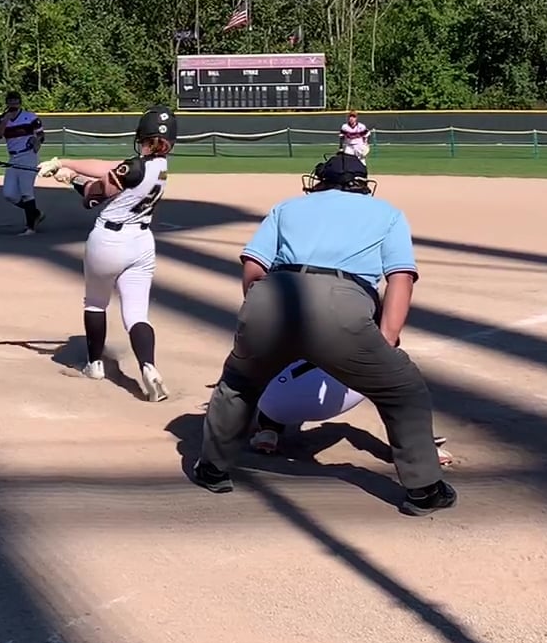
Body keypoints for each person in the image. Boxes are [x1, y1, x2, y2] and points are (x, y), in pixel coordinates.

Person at [190, 152, 455, 516]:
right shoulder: (387, 213)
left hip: (273, 295)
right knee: (402, 389)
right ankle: (424, 490)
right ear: (363, 185)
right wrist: (388, 338)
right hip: (342, 302)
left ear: (319, 181)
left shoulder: (287, 207)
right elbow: (400, 278)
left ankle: (212, 470)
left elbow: (253, 267)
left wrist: (258, 310)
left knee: (238, 383)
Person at [39, 106, 177, 402]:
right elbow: (110, 167)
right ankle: (149, 367)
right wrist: (64, 163)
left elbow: (93, 196)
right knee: (137, 314)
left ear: (143, 137)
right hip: (141, 243)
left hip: (109, 242)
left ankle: (95, 365)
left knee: (95, 303)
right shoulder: (160, 166)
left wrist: (71, 179)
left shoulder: (134, 168)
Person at [250, 359, 453, 468]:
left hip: (274, 403)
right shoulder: (358, 305)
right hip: (340, 396)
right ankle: (418, 448)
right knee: (395, 377)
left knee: (270, 366)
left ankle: (267, 432)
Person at [0, 92, 46, 235]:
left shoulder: (30, 117)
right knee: (9, 194)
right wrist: (5, 120)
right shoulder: (2, 119)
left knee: (27, 193)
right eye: (11, 101)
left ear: (20, 103)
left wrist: (37, 141)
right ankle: (35, 213)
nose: (13, 104)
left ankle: (30, 228)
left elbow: (41, 134)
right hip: (13, 158)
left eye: (16, 102)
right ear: (7, 103)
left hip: (28, 155)